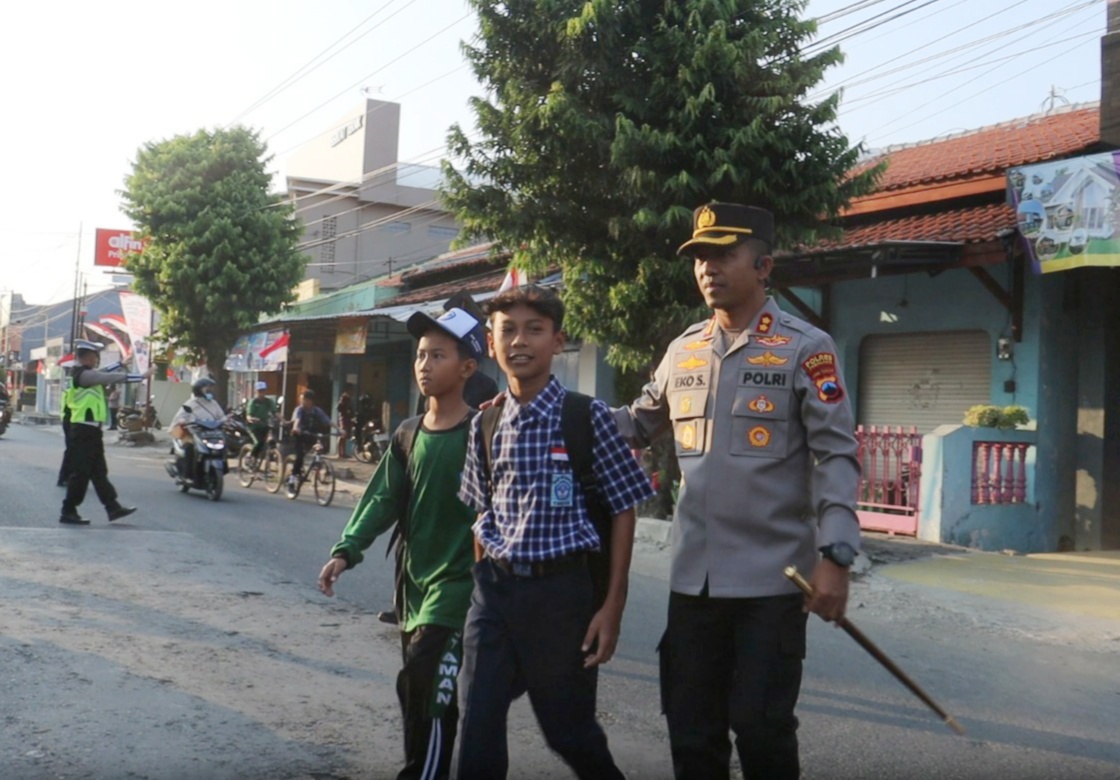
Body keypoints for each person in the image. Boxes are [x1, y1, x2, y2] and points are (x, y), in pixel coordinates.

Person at [612, 203, 861, 780]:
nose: (707, 268)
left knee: (760, 727)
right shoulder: (684, 350)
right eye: (700, 257)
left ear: (764, 264)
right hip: (692, 583)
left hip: (772, 584)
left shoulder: (807, 348)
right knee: (691, 732)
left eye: (723, 254)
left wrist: (837, 556)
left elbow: (835, 454)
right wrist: (542, 406)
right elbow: (632, 424)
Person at [455, 285, 655, 780]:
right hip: (495, 593)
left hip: (562, 596)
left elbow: (624, 508)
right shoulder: (485, 422)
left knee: (569, 731)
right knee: (476, 720)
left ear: (558, 341)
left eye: (534, 330)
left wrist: (611, 608)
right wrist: (485, 576)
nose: (519, 341)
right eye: (508, 330)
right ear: (491, 341)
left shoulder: (585, 418)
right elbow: (481, 512)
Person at [318, 306, 486, 780]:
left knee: (429, 687)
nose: (424, 365)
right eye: (420, 355)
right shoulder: (408, 435)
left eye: (438, 355)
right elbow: (382, 499)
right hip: (412, 589)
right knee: (415, 689)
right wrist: (345, 550)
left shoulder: (484, 434)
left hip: (460, 590)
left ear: (467, 367)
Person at [58, 340, 153, 525]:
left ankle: (113, 507)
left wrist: (121, 363)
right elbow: (107, 378)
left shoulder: (82, 373)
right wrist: (141, 376)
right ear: (88, 357)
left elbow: (103, 373)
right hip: (83, 429)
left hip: (91, 430)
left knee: (99, 472)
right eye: (95, 357)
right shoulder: (82, 375)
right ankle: (68, 510)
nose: (96, 360)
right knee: (81, 473)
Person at [169, 378, 227, 482]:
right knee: (190, 449)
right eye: (207, 388)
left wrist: (225, 421)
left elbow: (221, 416)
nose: (210, 390)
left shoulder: (213, 403)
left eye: (210, 388)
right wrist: (182, 421)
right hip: (193, 434)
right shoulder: (191, 403)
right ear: (199, 389)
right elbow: (180, 417)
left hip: (211, 433)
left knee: (222, 445)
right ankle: (187, 475)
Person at [289, 390, 331, 489]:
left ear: (311, 401)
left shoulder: (316, 410)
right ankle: (292, 479)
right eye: (302, 399)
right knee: (299, 456)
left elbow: (327, 420)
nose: (303, 401)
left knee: (319, 447)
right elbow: (297, 420)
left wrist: (340, 430)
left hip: (310, 434)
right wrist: (296, 428)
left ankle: (317, 467)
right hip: (298, 435)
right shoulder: (299, 409)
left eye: (305, 400)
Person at [245, 381, 275, 462]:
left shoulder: (268, 401)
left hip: (264, 425)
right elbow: (248, 415)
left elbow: (276, 412)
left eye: (263, 391)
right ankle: (251, 456)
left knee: (272, 440)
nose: (261, 393)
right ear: (256, 391)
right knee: (258, 442)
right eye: (259, 391)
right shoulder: (253, 402)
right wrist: (251, 419)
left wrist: (284, 420)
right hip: (253, 427)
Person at [335, 386, 354, 459]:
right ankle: (339, 453)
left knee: (345, 436)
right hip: (343, 419)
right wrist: (345, 411)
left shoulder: (349, 398)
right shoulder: (344, 398)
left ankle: (343, 452)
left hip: (347, 419)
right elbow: (338, 407)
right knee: (342, 435)